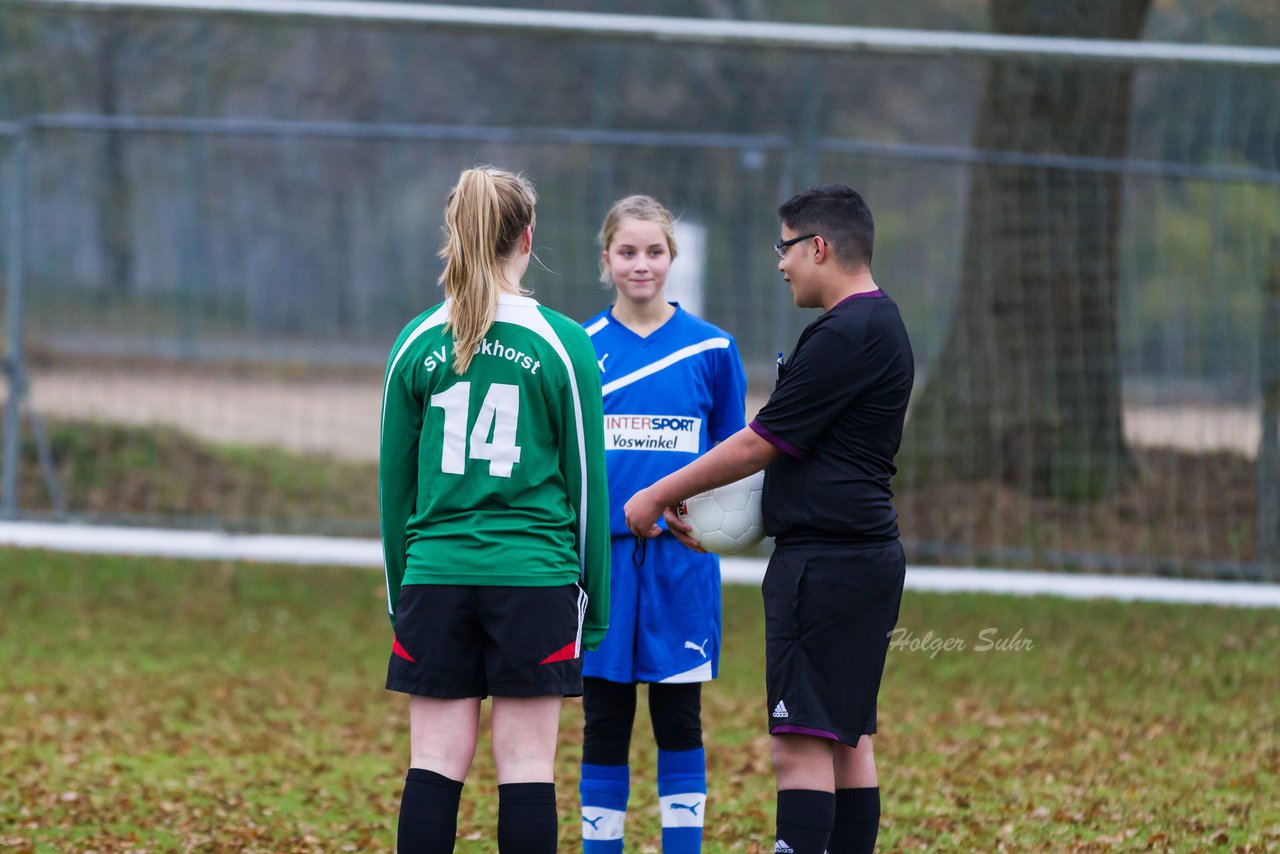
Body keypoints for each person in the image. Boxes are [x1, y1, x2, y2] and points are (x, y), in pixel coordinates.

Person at [623, 184, 914, 854]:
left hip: (827, 565)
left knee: (802, 747)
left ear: (818, 246)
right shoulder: (880, 323)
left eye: (784, 249)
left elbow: (759, 441)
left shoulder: (846, 333)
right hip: (858, 556)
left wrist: (658, 493)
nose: (779, 264)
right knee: (848, 737)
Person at [379, 165, 611, 854]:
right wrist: (592, 603)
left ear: (455, 235)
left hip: (435, 576)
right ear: (527, 237)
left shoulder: (416, 342)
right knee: (528, 768)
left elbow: (394, 492)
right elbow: (588, 489)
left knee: (433, 763)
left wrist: (403, 593)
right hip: (534, 579)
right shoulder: (564, 344)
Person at [578, 195, 747, 854]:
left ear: (673, 258)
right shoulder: (580, 347)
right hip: (606, 566)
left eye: (654, 251)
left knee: (679, 718)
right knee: (605, 720)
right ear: (606, 260)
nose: (640, 264)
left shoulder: (713, 348)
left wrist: (705, 517)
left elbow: (735, 455)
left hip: (683, 565)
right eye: (627, 252)